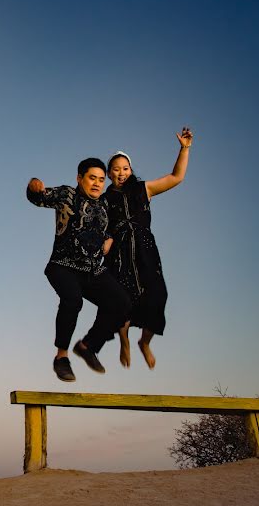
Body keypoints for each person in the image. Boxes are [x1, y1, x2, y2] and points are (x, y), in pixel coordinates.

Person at [26, 158, 132, 382]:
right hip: (63, 266)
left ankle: (87, 346)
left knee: (122, 303)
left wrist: (109, 238)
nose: (96, 184)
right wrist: (34, 186)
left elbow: (112, 226)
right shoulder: (66, 195)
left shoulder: (103, 205)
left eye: (101, 180)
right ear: (79, 178)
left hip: (93, 271)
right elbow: (38, 197)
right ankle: (61, 358)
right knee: (73, 301)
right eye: (92, 178)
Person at [104, 127, 194, 370]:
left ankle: (145, 342)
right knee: (121, 301)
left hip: (144, 249)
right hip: (119, 253)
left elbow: (176, 177)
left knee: (157, 296)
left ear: (130, 170)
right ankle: (124, 340)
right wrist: (105, 240)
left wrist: (184, 149)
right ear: (109, 173)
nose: (121, 172)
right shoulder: (103, 201)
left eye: (125, 168)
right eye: (116, 169)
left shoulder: (143, 189)